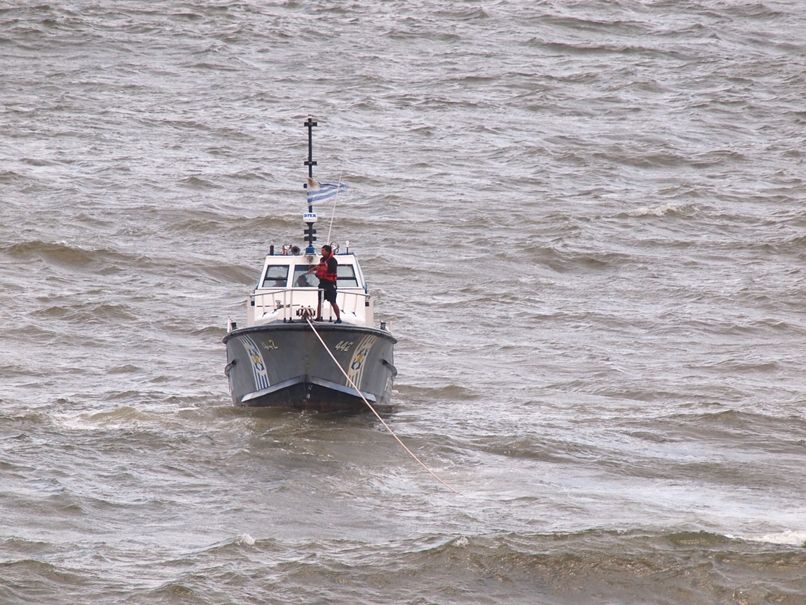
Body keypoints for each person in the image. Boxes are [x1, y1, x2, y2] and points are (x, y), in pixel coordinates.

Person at [313, 244, 341, 323]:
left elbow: (330, 271)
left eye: (323, 250)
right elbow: (320, 270)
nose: (321, 252)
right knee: (320, 301)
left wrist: (321, 272)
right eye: (321, 250)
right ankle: (318, 317)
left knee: (333, 301)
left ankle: (338, 318)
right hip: (322, 283)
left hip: (330, 284)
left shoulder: (333, 261)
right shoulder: (322, 260)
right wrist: (318, 274)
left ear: (328, 252)